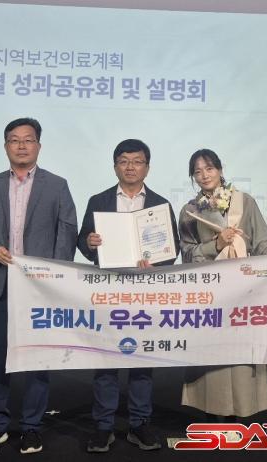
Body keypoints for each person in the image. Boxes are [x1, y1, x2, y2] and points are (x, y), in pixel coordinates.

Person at [0, 117, 77, 454]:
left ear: (38, 146)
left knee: (37, 358)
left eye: (28, 139)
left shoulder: (57, 185)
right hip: (1, 285)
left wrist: (52, 275)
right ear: (6, 147)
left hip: (39, 289)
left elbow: (67, 231)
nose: (21, 145)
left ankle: (31, 427)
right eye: (14, 140)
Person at [178, 148, 267, 421]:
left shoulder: (245, 202)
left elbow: (262, 242)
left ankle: (241, 411)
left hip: (243, 288)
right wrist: (217, 244)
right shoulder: (190, 211)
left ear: (220, 170)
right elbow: (187, 255)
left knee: (240, 349)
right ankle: (210, 412)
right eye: (197, 171)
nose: (204, 175)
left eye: (209, 168)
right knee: (211, 350)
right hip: (209, 291)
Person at [78, 139, 180, 452]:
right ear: (115, 166)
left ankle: (139, 424)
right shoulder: (99, 200)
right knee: (106, 359)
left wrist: (157, 263)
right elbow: (82, 241)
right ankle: (103, 426)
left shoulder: (161, 204)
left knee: (142, 359)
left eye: (137, 161)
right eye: (124, 161)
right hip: (108, 290)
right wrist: (90, 243)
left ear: (147, 167)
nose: (130, 167)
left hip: (144, 292)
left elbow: (173, 248)